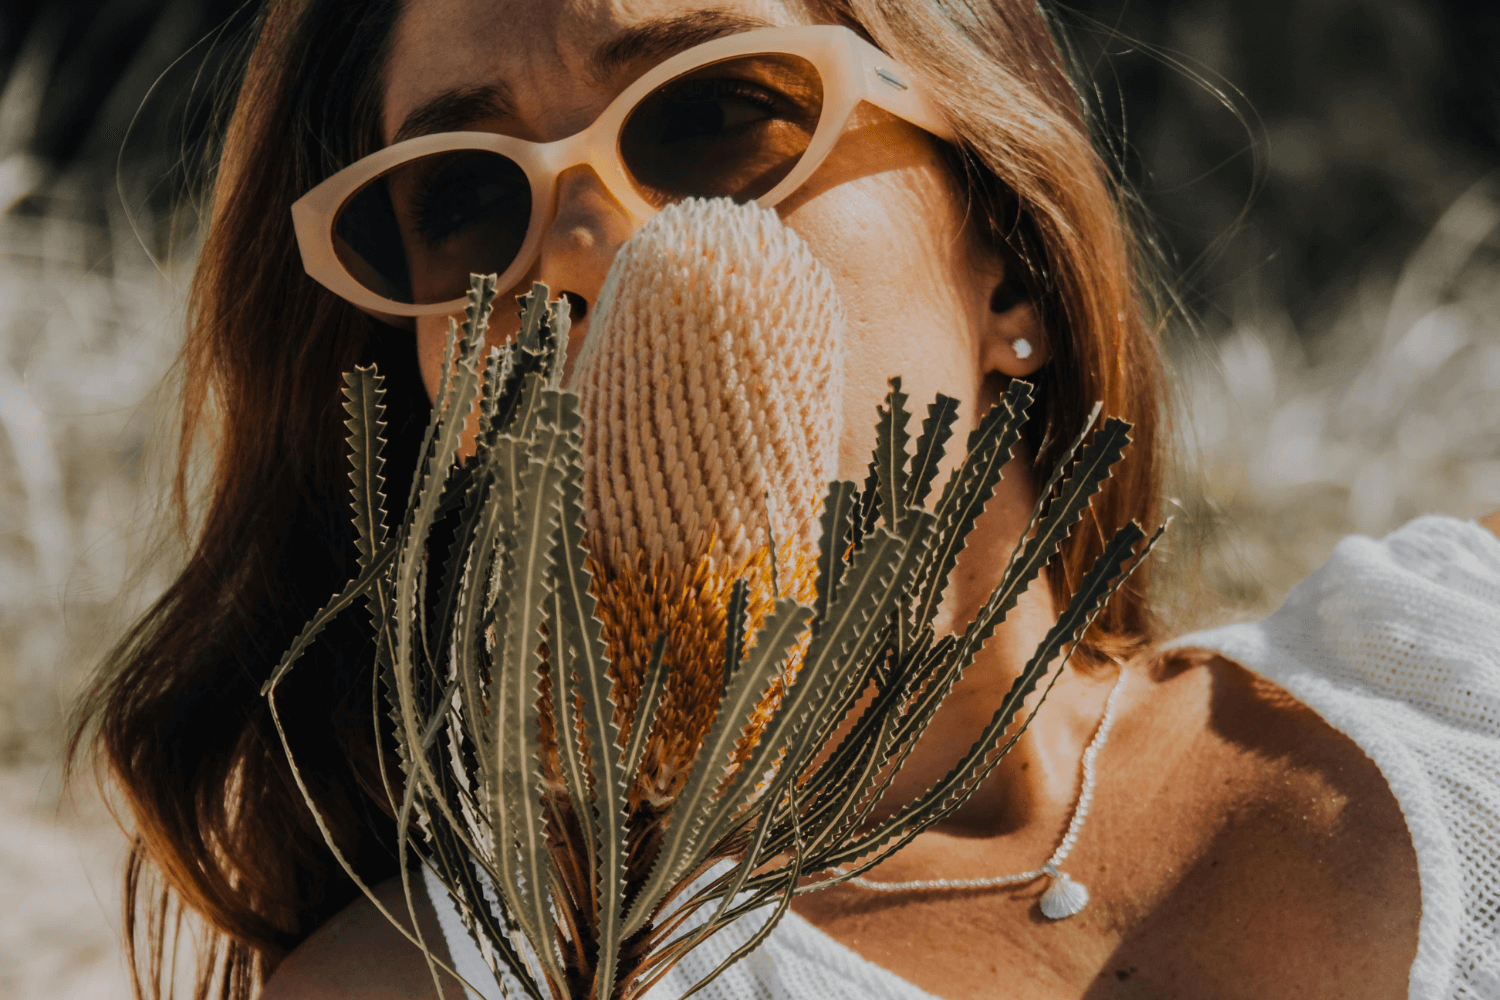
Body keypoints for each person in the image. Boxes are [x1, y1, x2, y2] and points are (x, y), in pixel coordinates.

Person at [75, 1, 1500, 998]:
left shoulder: (1449, 658)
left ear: (1004, 253)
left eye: (708, 117)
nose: (585, 249)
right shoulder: (447, 987)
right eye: (467, 203)